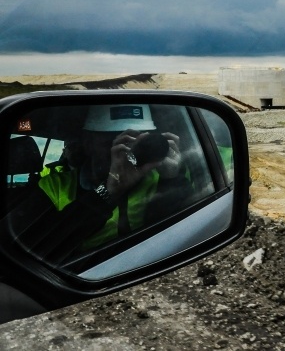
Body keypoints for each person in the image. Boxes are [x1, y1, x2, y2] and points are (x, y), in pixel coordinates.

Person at [7, 104, 191, 263]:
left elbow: (181, 235)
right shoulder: (55, 186)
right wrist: (108, 192)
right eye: (111, 141)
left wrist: (171, 180)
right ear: (88, 142)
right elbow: (27, 249)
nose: (122, 152)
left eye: (135, 143)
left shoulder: (163, 176)